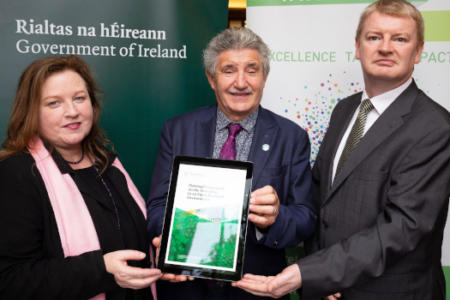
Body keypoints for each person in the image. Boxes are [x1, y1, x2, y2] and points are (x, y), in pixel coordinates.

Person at [234, 0, 450, 299]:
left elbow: (402, 228)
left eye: (399, 39)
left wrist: (314, 272)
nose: (385, 47)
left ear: (418, 51)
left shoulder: (434, 126)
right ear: (358, 47)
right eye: (374, 37)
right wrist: (322, 277)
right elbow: (320, 199)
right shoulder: (345, 110)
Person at [147, 27, 317, 300]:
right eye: (228, 71)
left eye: (252, 70)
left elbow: (306, 218)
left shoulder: (292, 137)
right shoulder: (177, 130)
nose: (241, 82)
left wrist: (272, 220)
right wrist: (170, 238)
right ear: (211, 79)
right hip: (186, 287)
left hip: (256, 290)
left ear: (265, 77)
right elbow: (156, 206)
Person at [0, 55, 162, 300]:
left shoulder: (108, 162)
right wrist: (101, 269)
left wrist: (157, 253)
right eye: (54, 103)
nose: (72, 111)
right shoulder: (18, 173)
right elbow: (10, 280)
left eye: (79, 98)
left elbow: (130, 236)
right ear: (31, 111)